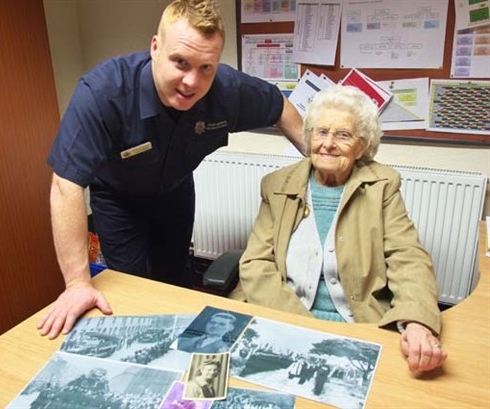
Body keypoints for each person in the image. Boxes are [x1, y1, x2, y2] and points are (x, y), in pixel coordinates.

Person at [38, 0, 304, 340]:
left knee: (176, 279)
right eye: (180, 62)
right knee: (128, 288)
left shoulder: (227, 89)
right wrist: (76, 283)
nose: (191, 81)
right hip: (119, 199)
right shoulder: (104, 93)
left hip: (175, 191)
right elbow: (66, 185)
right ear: (155, 47)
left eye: (206, 67)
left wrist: (324, 162)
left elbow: (279, 106)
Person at [229, 85, 448, 373]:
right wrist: (300, 325)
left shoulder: (382, 186)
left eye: (343, 135)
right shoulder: (277, 185)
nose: (328, 144)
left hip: (357, 324)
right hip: (283, 315)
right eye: (321, 132)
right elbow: (257, 263)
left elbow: (408, 258)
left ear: (362, 145)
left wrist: (417, 320)